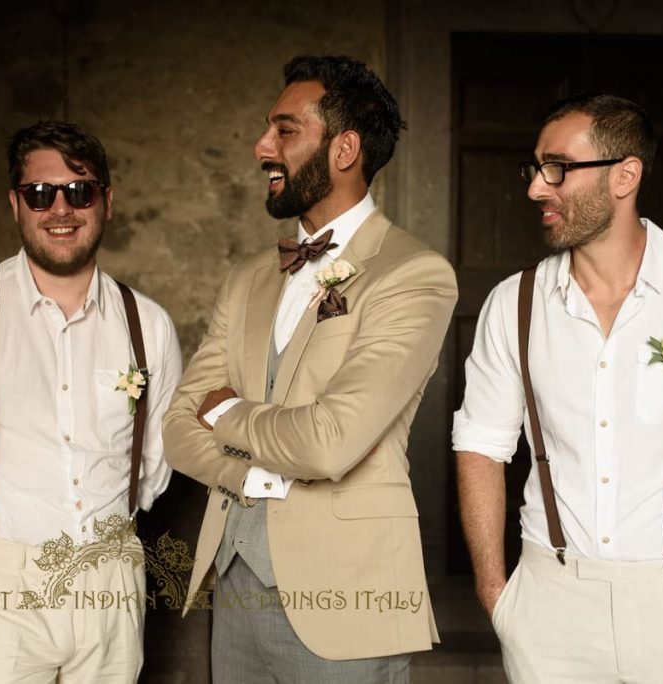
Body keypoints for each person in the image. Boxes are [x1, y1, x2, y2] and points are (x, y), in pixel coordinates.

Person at [162, 55, 457, 683]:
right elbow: (176, 428)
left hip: (349, 595)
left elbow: (330, 443)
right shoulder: (246, 279)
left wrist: (227, 411)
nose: (261, 146)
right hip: (236, 584)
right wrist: (253, 481)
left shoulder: (412, 275)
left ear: (345, 148)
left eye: (285, 130)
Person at [454, 93, 663, 682]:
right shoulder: (514, 303)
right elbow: (481, 446)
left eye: (557, 168)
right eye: (535, 169)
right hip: (549, 604)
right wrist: (499, 595)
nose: (536, 189)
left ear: (625, 176)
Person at [0, 120, 182, 684]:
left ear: (107, 201)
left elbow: (154, 466)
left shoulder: (149, 324)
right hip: (1, 576)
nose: (61, 209)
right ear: (15, 205)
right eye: (41, 194)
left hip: (112, 575)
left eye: (80, 190)